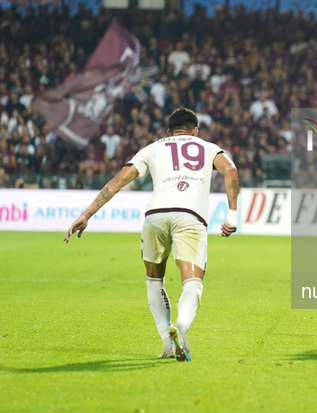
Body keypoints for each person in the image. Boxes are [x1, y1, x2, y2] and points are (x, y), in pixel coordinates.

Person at [65, 108, 239, 362]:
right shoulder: (208, 147)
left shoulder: (153, 148)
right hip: (189, 216)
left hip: (155, 216)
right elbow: (231, 170)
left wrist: (86, 214)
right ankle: (180, 327)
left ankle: (168, 343)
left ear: (169, 132)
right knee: (192, 282)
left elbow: (119, 180)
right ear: (195, 131)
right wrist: (232, 215)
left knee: (154, 281)